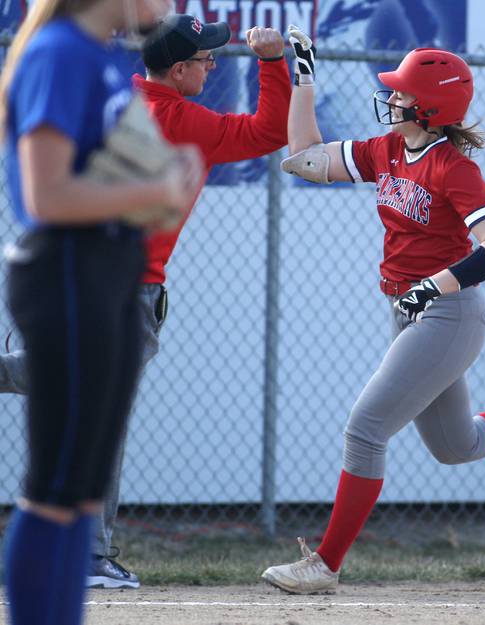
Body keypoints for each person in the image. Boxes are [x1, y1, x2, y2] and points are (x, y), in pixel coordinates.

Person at [260, 27, 485, 595]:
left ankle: (325, 565)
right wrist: (301, 76)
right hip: (410, 312)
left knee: (365, 430)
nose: (393, 97)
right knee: (458, 446)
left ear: (430, 106)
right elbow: (302, 159)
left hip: (448, 314)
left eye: (403, 92)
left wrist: (433, 287)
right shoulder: (387, 150)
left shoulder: (455, 169)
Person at [0, 13, 292, 589]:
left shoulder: (122, 93)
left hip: (71, 271)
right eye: (205, 59)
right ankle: (88, 557)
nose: (212, 65)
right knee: (100, 419)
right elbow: (269, 132)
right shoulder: (185, 119)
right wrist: (274, 63)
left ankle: (79, 555)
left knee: (74, 402)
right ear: (179, 69)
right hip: (124, 287)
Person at [0, 1, 204, 623]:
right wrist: (159, 188)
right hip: (67, 272)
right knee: (58, 492)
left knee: (84, 493)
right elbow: (48, 193)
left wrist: (154, 189)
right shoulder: (60, 53)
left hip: (107, 271)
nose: (170, 6)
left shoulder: (99, 57)